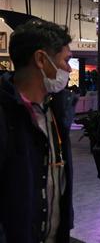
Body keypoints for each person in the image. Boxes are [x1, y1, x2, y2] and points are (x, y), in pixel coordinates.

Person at [0, 19, 76, 243]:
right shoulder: (5, 114)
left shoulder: (56, 111)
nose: (69, 69)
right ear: (41, 59)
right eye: (65, 60)